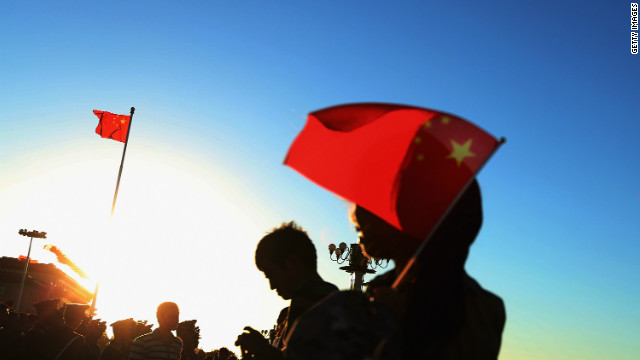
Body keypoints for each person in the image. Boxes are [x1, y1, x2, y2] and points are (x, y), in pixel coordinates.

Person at [354, 179, 506, 359]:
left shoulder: (478, 309)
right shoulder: (381, 287)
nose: (358, 216)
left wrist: (398, 325)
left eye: (378, 204)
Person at [235, 221, 338, 360]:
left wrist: (263, 350)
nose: (272, 286)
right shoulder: (332, 295)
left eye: (271, 274)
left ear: (293, 263)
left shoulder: (306, 299)